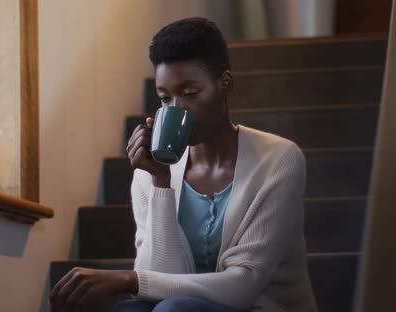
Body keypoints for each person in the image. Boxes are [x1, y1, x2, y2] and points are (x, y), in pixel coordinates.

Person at [50, 17, 317, 312]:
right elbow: (160, 283)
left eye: (190, 93)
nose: (176, 110)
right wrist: (160, 182)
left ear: (224, 85)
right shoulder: (149, 173)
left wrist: (128, 279)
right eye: (165, 98)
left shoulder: (278, 160)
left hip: (259, 308)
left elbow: (243, 286)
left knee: (174, 310)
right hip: (179, 307)